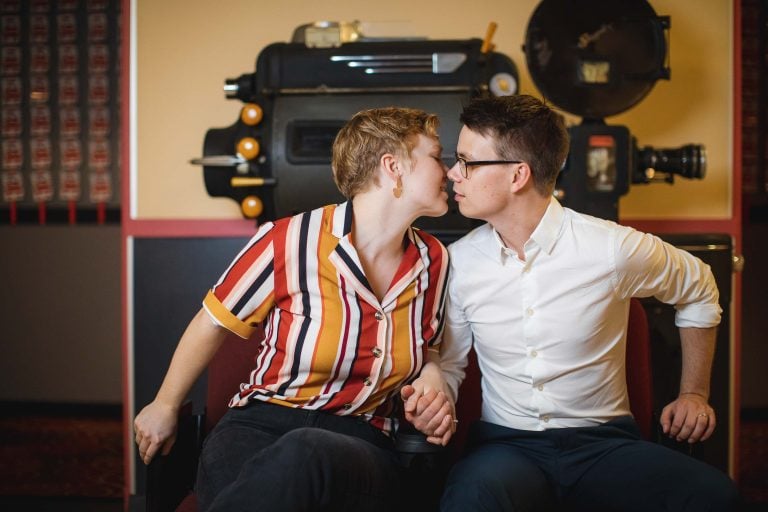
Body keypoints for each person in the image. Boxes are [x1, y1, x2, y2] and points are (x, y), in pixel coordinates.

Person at [133, 106, 456, 512]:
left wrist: (434, 373)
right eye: (436, 156)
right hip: (256, 426)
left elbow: (428, 344)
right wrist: (164, 405)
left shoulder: (434, 260)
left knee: (306, 452)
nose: (450, 171)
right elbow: (212, 321)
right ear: (393, 167)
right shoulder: (288, 240)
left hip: (361, 441)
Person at [435, 94, 741, 511]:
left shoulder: (611, 248)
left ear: (518, 175)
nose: (454, 173)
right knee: (472, 496)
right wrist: (435, 394)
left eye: (468, 162)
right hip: (506, 449)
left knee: (714, 496)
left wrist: (694, 393)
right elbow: (451, 364)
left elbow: (700, 286)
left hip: (604, 448)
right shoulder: (460, 262)